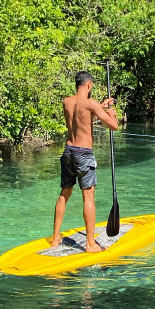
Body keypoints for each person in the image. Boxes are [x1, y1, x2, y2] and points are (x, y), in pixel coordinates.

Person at [51, 71, 119, 253]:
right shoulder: (90, 104)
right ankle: (90, 245)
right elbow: (114, 126)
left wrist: (101, 107)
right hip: (84, 154)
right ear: (89, 85)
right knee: (88, 197)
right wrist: (111, 113)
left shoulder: (67, 102)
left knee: (64, 194)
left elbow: (79, 120)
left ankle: (55, 238)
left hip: (68, 151)